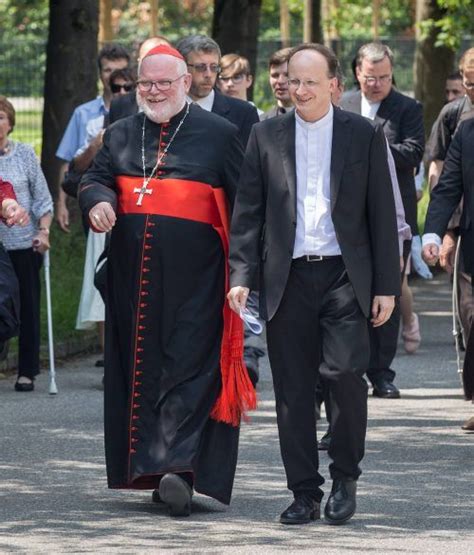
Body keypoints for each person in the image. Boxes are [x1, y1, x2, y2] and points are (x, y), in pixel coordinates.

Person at [78, 44, 255, 517]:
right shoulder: (119, 134)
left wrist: (245, 273)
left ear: (185, 83)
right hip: (131, 282)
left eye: (163, 83)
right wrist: (97, 201)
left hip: (200, 283)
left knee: (190, 372)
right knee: (141, 371)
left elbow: (245, 209)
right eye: (146, 83)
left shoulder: (220, 134)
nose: (154, 91)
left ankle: (182, 470)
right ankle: (155, 473)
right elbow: (92, 179)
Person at [228, 43, 400, 525]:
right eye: (290, 80)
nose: (297, 89)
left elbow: (382, 215)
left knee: (345, 376)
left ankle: (345, 475)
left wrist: (386, 285)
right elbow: (248, 213)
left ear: (333, 86)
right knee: (293, 391)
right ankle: (304, 490)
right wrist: (241, 274)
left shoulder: (363, 134)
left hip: (346, 276)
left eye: (308, 81)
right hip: (287, 277)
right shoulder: (266, 135)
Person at [341, 41, 425, 399]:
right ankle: (351, 368)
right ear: (357, 73)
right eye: (370, 77)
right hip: (348, 218)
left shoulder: (407, 107)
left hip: (393, 216)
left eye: (385, 77)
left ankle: (381, 372)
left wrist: (370, 146)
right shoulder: (341, 103)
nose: (377, 84)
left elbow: (413, 152)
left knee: (386, 289)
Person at [422, 117, 474, 431]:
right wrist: (434, 234)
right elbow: (448, 187)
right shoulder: (467, 132)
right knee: (471, 319)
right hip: (473, 248)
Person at [0, 97, 53, 392]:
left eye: (0, 117)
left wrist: (43, 232)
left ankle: (27, 370)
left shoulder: (24, 155)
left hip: (23, 242)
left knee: (28, 305)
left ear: (10, 122)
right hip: (0, 246)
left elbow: (42, 198)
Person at [56, 43, 130, 233]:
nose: (114, 75)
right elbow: (67, 161)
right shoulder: (83, 114)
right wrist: (61, 204)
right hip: (95, 199)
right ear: (100, 74)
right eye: (108, 70)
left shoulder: (139, 112)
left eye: (120, 70)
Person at [176, 35, 259, 148]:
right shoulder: (168, 111)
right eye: (201, 67)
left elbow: (250, 163)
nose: (208, 74)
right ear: (182, 68)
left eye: (214, 67)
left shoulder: (244, 113)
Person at [108, 36, 171, 124]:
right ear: (139, 63)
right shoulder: (119, 105)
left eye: (162, 59)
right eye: (147, 59)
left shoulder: (185, 105)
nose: (154, 65)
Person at [260, 47, 293, 120]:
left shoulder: (320, 120)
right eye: (275, 75)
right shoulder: (261, 123)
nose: (280, 81)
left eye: (287, 75)